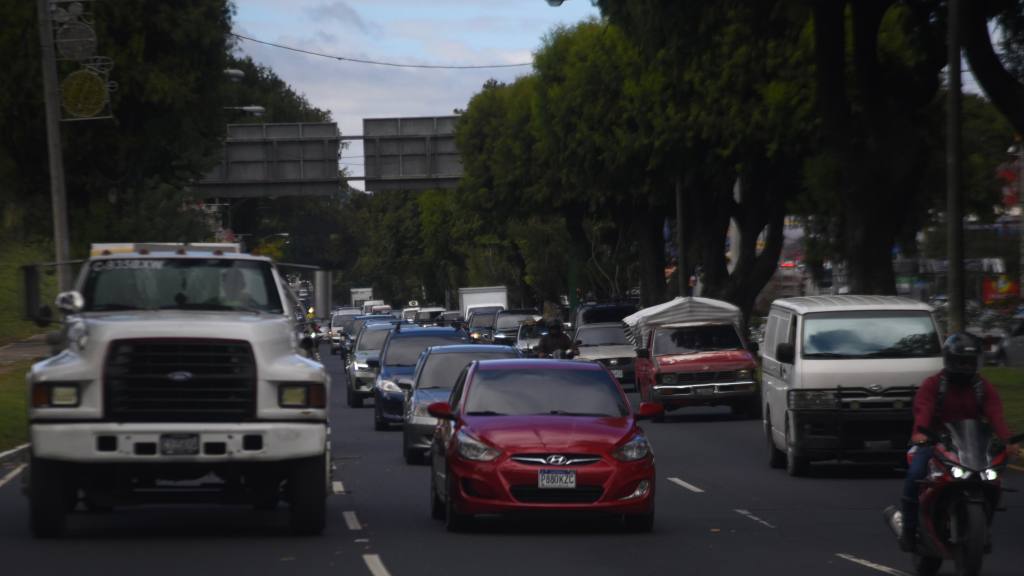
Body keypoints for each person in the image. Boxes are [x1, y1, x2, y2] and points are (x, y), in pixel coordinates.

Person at [899, 332, 1018, 551]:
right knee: (915, 475)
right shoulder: (933, 384)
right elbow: (923, 409)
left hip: (972, 446)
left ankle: (984, 528)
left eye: (970, 362)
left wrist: (1008, 440)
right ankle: (909, 529)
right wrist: (920, 434)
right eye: (961, 361)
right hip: (935, 443)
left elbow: (996, 415)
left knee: (994, 479)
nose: (966, 366)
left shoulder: (982, 387)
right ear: (950, 360)